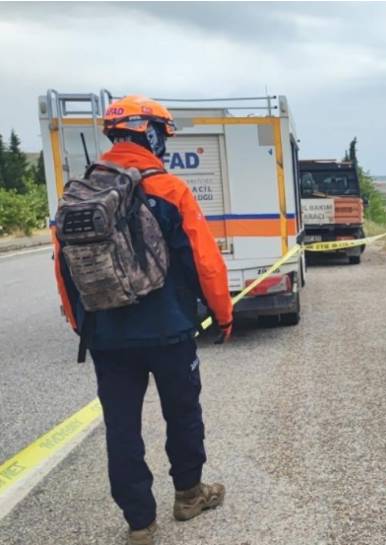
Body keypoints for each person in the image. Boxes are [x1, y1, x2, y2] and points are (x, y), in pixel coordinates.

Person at [54, 96, 233, 545]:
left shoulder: (80, 193)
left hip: (107, 336)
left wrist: (83, 324)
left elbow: (64, 269)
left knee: (121, 427)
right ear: (150, 134)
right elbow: (204, 262)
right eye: (164, 135)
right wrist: (223, 314)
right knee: (183, 413)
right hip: (169, 330)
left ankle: (139, 524)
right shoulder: (170, 188)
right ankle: (189, 495)